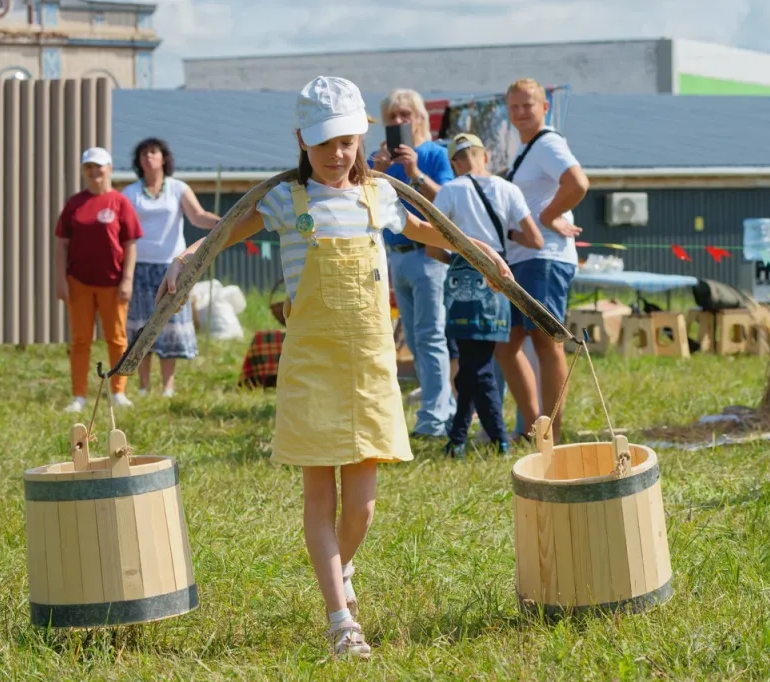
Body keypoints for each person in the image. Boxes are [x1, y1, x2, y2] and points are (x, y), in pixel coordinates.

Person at [157, 76, 511, 659]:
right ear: (301, 140)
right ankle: (340, 620)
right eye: (324, 143)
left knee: (363, 507)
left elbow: (426, 230)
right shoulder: (286, 200)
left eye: (346, 142)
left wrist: (480, 250)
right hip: (312, 366)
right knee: (319, 496)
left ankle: (339, 568)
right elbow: (226, 232)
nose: (337, 154)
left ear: (360, 138)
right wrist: (188, 254)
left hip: (368, 366)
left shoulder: (381, 196)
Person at [427, 133, 543, 458]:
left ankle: (491, 438)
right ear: (486, 156)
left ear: (454, 163)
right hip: (498, 278)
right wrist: (505, 234)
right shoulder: (509, 189)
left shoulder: (450, 190)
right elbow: (535, 240)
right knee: (476, 363)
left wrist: (458, 261)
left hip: (462, 278)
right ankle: (465, 439)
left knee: (474, 365)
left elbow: (431, 246)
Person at [495, 78, 590, 443]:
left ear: (545, 108)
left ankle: (552, 434)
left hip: (545, 258)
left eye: (528, 105)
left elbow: (577, 183)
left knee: (547, 343)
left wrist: (549, 216)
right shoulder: (526, 149)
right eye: (514, 107)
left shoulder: (548, 143)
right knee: (505, 345)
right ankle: (534, 428)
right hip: (523, 259)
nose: (520, 112)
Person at [369, 89, 456, 439]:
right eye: (392, 117)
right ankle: (444, 408)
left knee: (430, 335)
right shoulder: (379, 159)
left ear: (420, 118)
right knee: (416, 340)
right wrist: (376, 171)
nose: (399, 122)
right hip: (396, 256)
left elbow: (449, 200)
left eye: (406, 115)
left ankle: (433, 419)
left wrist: (414, 172)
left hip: (429, 255)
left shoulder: (435, 154)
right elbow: (362, 202)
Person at [122, 137, 222, 398]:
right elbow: (121, 230)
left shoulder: (178, 188)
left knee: (170, 324)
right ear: (138, 161)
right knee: (141, 326)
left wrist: (224, 224)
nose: (148, 157)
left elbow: (198, 216)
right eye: (143, 153)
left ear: (163, 157)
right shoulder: (130, 193)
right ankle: (143, 386)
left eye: (153, 152)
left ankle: (168, 386)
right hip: (139, 268)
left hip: (172, 268)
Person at [55, 147, 144, 413]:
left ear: (110, 169)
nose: (94, 172)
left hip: (113, 283)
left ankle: (118, 392)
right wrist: (60, 279)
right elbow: (61, 244)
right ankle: (78, 396)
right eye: (89, 167)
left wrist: (127, 280)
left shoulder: (120, 202)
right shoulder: (74, 203)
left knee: (116, 338)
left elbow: (130, 244)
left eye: (99, 167)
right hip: (79, 282)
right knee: (80, 340)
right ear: (83, 171)